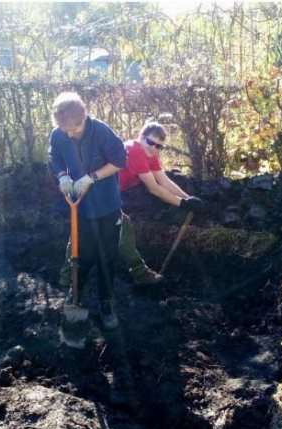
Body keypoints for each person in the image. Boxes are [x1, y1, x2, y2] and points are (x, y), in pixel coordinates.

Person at [60, 121, 203, 287]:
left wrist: (189, 199)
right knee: (113, 227)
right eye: (150, 142)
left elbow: (163, 181)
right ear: (141, 138)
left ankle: (68, 274)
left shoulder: (150, 155)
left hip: (104, 194)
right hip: (89, 191)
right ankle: (138, 272)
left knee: (95, 230)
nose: (154, 148)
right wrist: (183, 204)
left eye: (159, 146)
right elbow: (154, 188)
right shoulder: (134, 151)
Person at [49, 92, 127, 330]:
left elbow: (120, 160)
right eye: (66, 131)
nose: (70, 134)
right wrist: (62, 175)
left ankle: (106, 303)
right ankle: (75, 295)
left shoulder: (100, 131)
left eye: (74, 129)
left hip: (107, 206)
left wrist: (91, 178)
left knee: (106, 256)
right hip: (80, 207)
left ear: (83, 118)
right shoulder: (59, 134)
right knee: (81, 254)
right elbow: (54, 157)